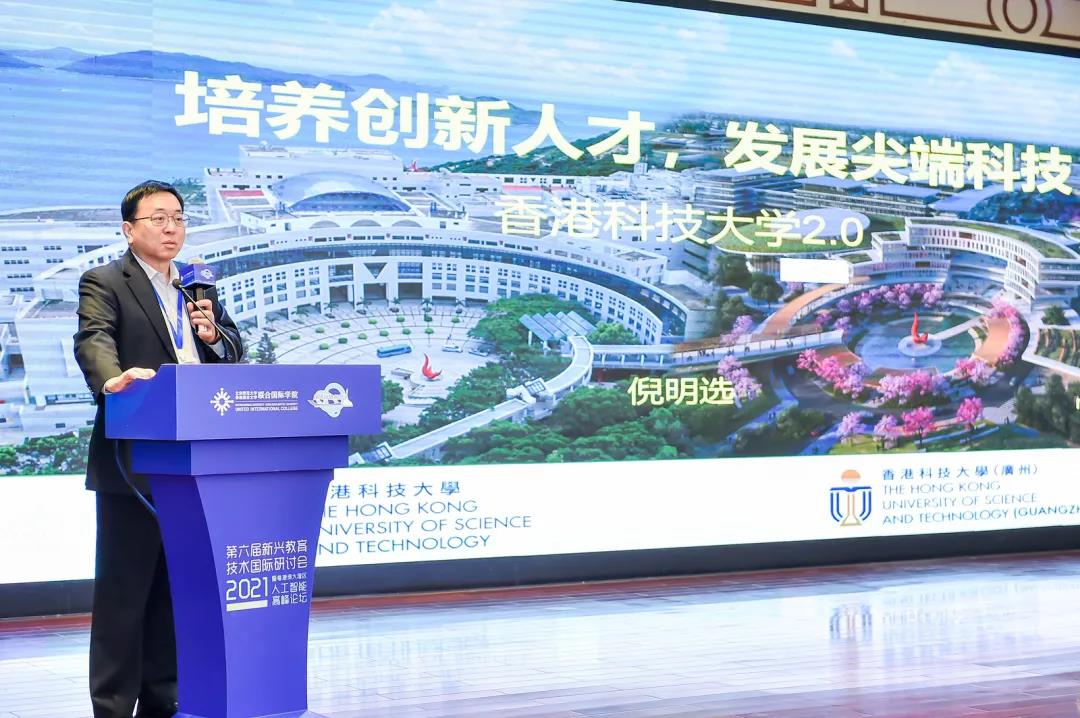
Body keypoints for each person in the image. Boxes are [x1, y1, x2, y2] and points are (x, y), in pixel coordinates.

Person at [73, 180, 244, 718]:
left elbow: (232, 349)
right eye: (158, 218)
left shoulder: (196, 286)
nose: (172, 228)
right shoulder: (106, 281)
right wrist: (113, 379)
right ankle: (112, 705)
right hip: (135, 459)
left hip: (196, 459)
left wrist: (212, 337)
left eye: (178, 218)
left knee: (176, 588)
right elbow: (94, 338)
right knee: (125, 593)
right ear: (129, 229)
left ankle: (164, 698)